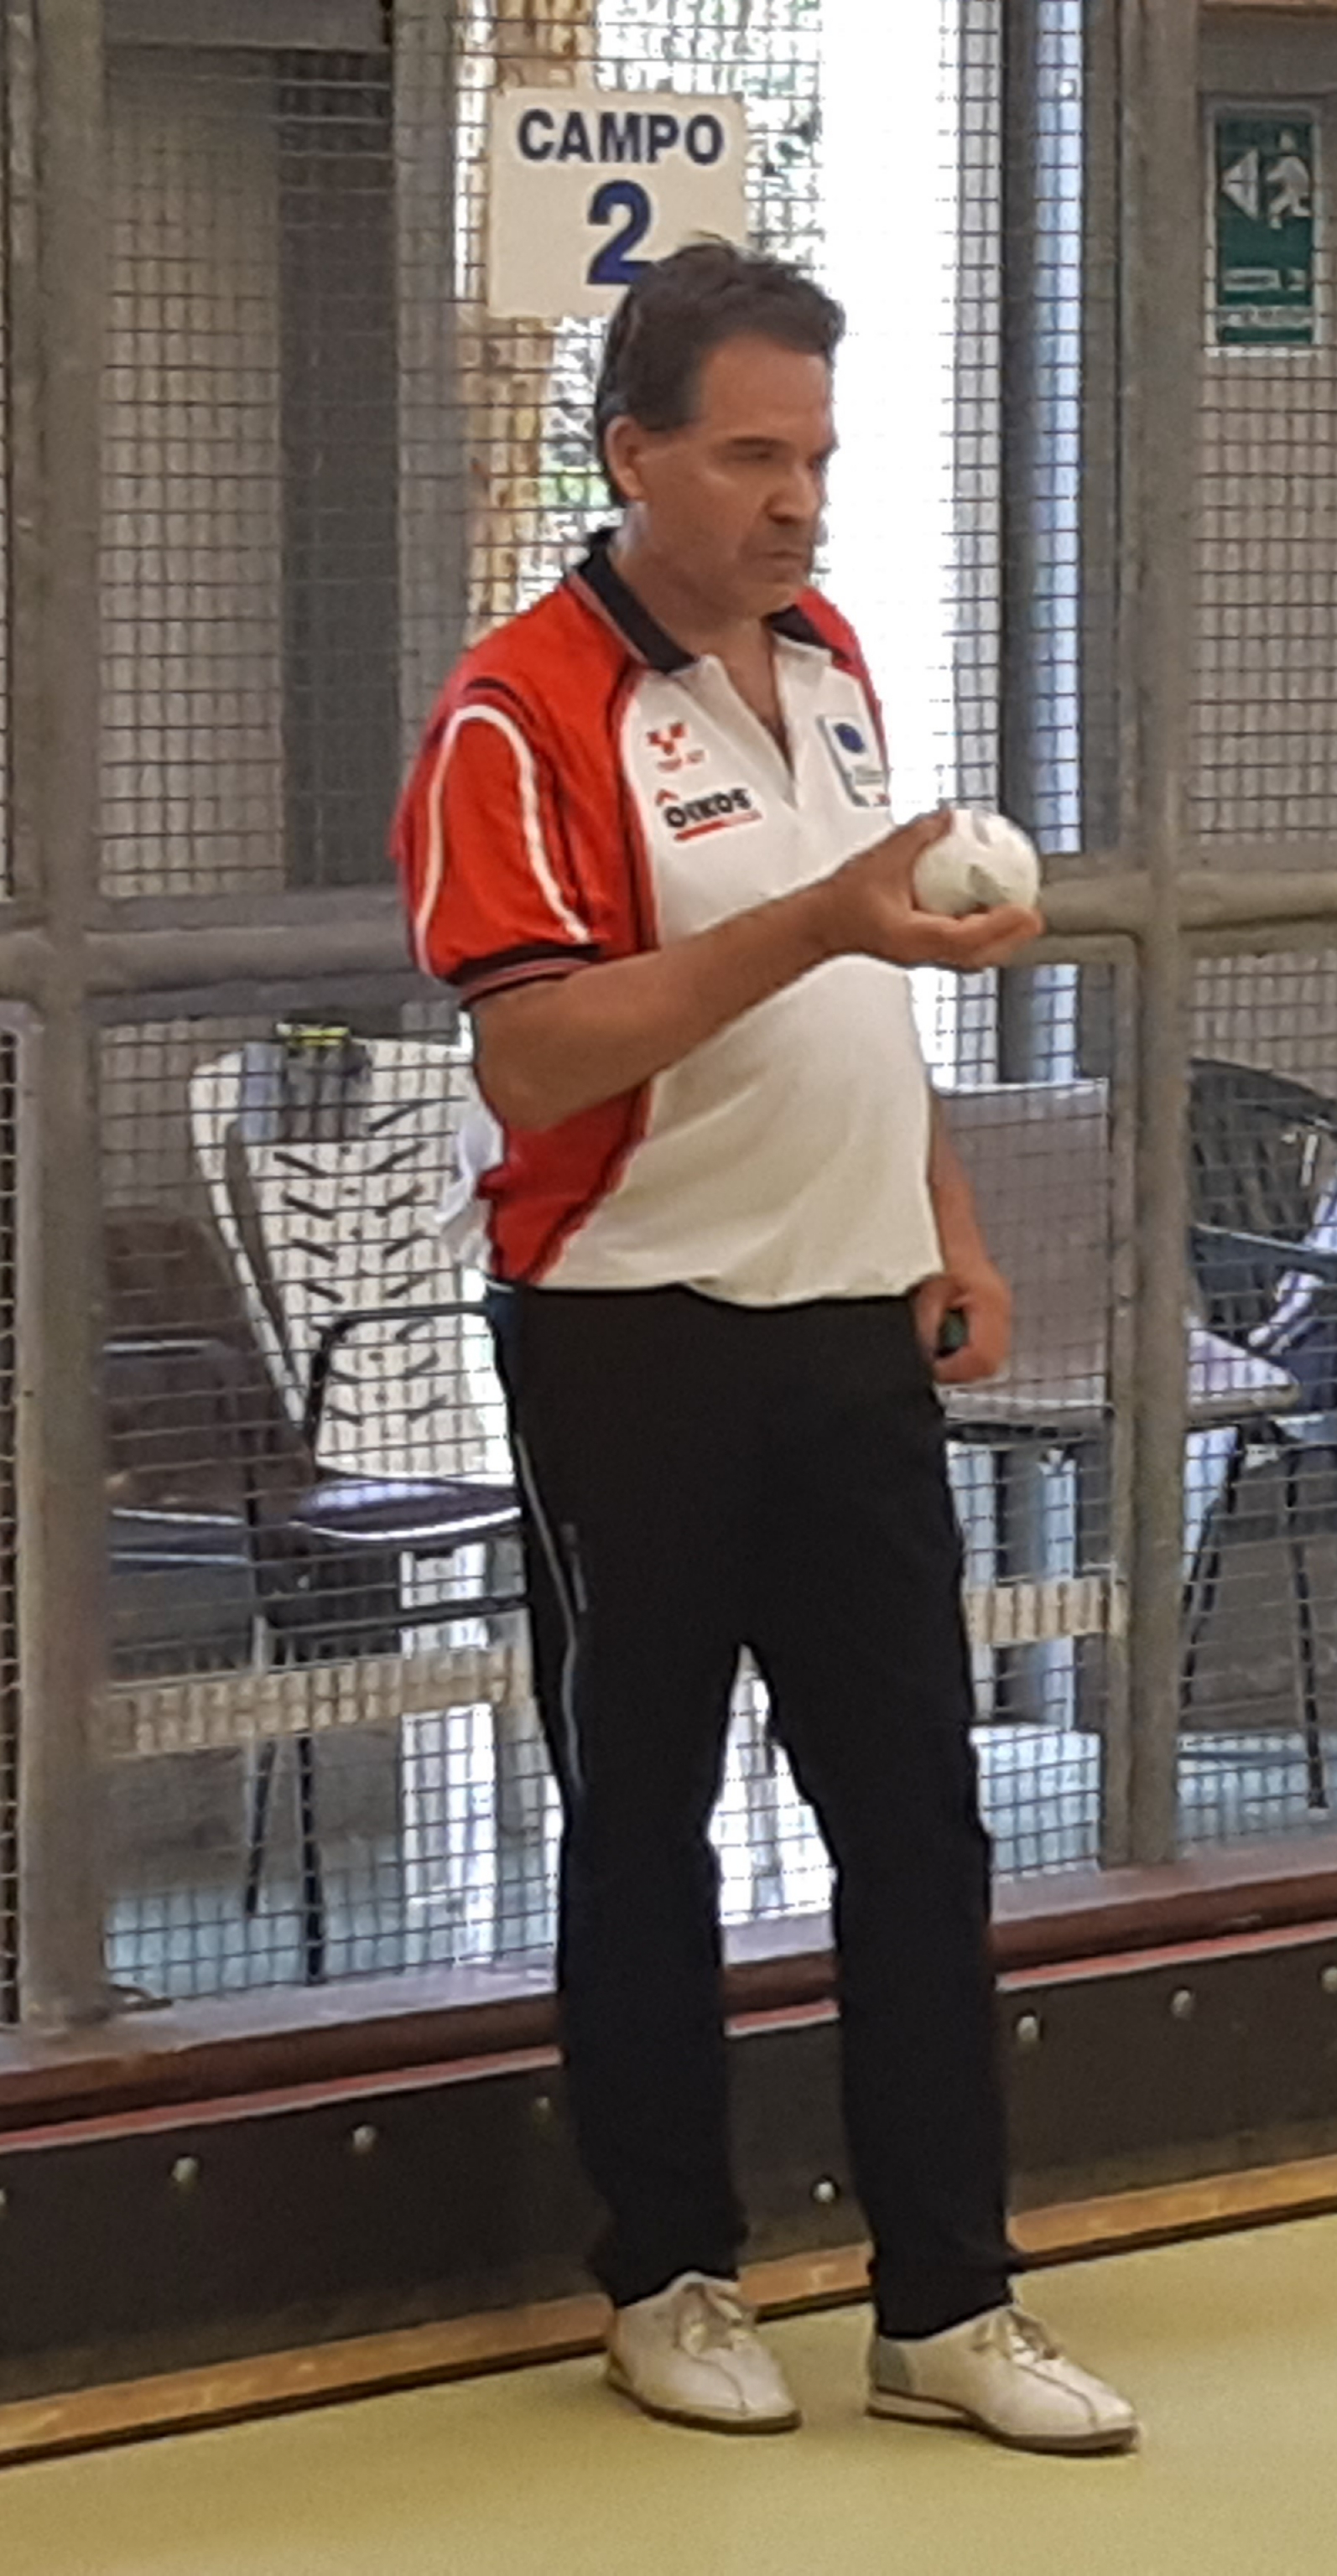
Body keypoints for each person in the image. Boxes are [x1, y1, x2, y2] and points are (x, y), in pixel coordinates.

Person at [393, 242, 1138, 2456]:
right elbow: (536, 1056)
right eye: (748, 455)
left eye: (816, 454)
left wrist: (944, 1221)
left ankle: (948, 2305)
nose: (798, 499)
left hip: (847, 1328)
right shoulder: (515, 710)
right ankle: (668, 2276)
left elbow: (860, 1001)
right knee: (645, 1824)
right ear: (631, 456)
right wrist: (820, 912)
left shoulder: (831, 662)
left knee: (917, 1819)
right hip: (628, 1329)